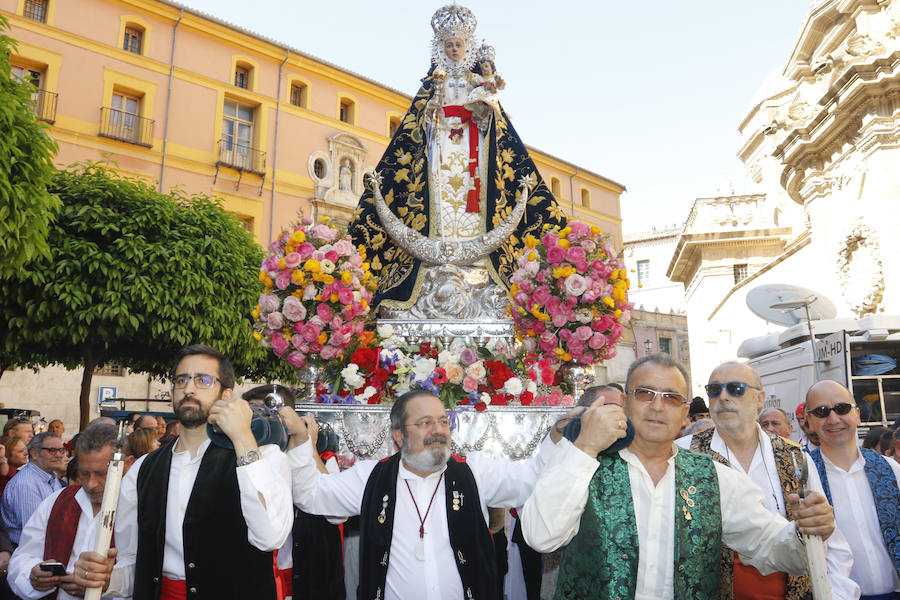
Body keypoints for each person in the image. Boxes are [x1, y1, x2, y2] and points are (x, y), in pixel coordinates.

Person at [521, 353, 836, 600]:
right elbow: (540, 536)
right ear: (627, 402)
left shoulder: (714, 477)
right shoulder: (583, 462)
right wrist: (585, 446)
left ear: (686, 413)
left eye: (671, 397)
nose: (658, 406)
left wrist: (805, 532)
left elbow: (773, 546)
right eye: (645, 393)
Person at [348, 4, 565, 310]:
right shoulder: (433, 81)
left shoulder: (477, 81)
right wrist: (431, 116)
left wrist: (484, 110)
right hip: (440, 146)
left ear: (467, 47)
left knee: (468, 190)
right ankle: (435, 255)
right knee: (439, 189)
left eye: (458, 45)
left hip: (472, 147)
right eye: (448, 45)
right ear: (441, 47)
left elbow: (497, 121)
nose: (453, 49)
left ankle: (476, 261)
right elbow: (417, 123)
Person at [280, 389, 560, 600]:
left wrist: (556, 438)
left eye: (443, 421)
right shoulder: (371, 477)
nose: (438, 430)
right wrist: (300, 440)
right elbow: (312, 495)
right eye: (425, 423)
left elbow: (533, 480)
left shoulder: (475, 472)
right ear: (399, 436)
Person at [76, 344, 293, 600]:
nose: (189, 389)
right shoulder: (143, 469)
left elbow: (269, 536)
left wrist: (243, 438)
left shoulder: (263, 456)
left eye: (203, 380)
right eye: (182, 380)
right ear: (172, 392)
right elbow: (135, 561)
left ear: (227, 395)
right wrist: (105, 580)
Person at [677, 361, 858, 600]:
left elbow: (826, 537)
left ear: (760, 399)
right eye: (714, 390)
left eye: (735, 388)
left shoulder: (796, 457)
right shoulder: (682, 454)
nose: (723, 397)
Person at [7, 423, 126, 600]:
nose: (91, 484)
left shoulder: (137, 508)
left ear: (126, 464)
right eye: (85, 474)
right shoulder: (58, 501)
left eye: (101, 473)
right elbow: (23, 556)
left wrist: (109, 583)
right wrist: (33, 575)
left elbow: (146, 572)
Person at [805, 380, 900, 599]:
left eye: (842, 408)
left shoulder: (890, 469)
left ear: (857, 414)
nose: (833, 419)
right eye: (821, 412)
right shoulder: (803, 478)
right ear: (809, 421)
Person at [1, 433, 64, 545]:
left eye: (61, 450)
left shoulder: (52, 478)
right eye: (52, 450)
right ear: (34, 453)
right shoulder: (25, 484)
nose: (59, 455)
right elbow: (35, 533)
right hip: (31, 554)